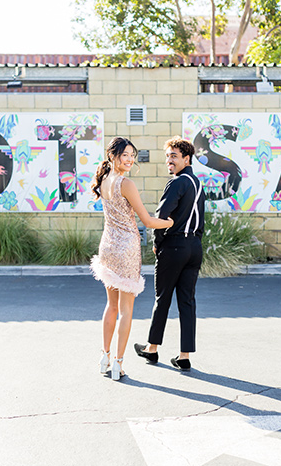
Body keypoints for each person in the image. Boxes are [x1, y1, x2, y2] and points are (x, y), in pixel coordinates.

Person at [90, 137, 174, 381]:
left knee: (111, 306)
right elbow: (147, 221)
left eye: (132, 156)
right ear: (112, 156)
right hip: (126, 248)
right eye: (125, 155)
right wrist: (169, 223)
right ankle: (118, 364)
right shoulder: (126, 183)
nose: (129, 160)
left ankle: (104, 357)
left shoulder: (104, 180)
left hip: (108, 245)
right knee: (126, 310)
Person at [134, 136, 205, 371]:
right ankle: (184, 355)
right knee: (187, 301)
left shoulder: (177, 183)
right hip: (194, 247)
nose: (169, 161)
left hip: (174, 246)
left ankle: (152, 348)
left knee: (162, 298)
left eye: (173, 156)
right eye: (167, 156)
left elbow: (162, 216)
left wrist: (158, 243)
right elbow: (200, 221)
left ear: (187, 158)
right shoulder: (198, 183)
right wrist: (194, 243)